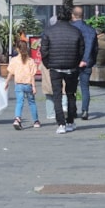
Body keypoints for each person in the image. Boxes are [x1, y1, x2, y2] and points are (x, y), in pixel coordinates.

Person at [40, 7, 84, 135]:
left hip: (55, 67)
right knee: (71, 94)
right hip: (71, 67)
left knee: (57, 96)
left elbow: (44, 51)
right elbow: (81, 50)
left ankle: (61, 124)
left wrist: (48, 64)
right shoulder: (76, 31)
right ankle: (70, 121)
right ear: (70, 16)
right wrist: (75, 63)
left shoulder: (49, 32)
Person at [4, 40, 39, 129]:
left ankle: (17, 119)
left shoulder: (14, 60)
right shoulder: (30, 61)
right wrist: (34, 87)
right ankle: (36, 121)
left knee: (19, 102)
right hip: (28, 84)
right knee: (32, 102)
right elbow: (32, 75)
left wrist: (7, 82)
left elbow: (10, 73)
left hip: (18, 84)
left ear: (17, 49)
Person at [71, 6, 97, 120]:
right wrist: (89, 60)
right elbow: (95, 48)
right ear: (83, 15)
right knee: (85, 87)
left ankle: (72, 110)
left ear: (73, 15)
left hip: (72, 62)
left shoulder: (70, 28)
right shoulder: (91, 30)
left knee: (71, 88)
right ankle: (85, 110)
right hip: (87, 63)